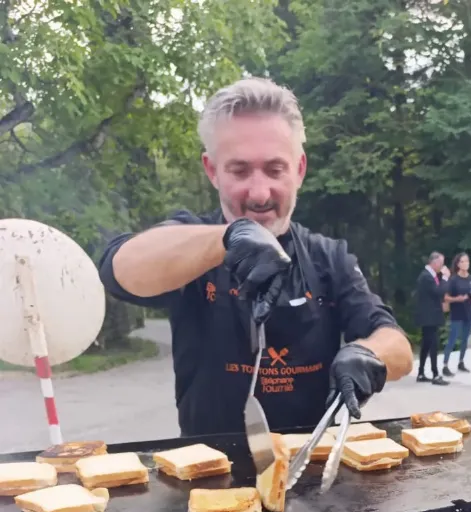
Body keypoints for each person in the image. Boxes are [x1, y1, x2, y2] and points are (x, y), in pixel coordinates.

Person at [98, 78, 412, 434]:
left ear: (299, 170)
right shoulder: (189, 241)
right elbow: (118, 269)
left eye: (275, 169)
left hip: (311, 468)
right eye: (240, 170)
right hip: (208, 472)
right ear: (212, 170)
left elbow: (397, 346)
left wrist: (370, 354)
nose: (260, 193)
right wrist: (228, 238)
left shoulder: (328, 256)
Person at [414, 251, 449, 385]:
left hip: (430, 315)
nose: (442, 266)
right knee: (433, 345)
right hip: (428, 316)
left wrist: (442, 278)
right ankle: (435, 374)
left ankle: (421, 372)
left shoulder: (432, 275)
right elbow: (438, 292)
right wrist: (445, 278)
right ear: (434, 263)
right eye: (441, 263)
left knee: (427, 344)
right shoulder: (426, 276)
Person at [442, 252, 471, 376]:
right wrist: (457, 299)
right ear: (458, 264)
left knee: (464, 339)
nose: (465, 264)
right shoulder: (453, 280)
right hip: (457, 313)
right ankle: (445, 365)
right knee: (452, 339)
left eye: (467, 261)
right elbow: (446, 298)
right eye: (462, 261)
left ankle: (461, 361)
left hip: (468, 313)